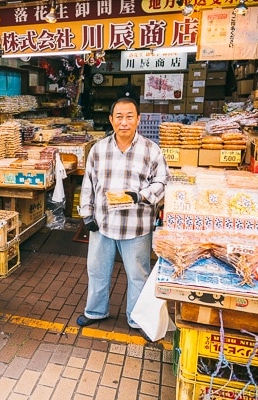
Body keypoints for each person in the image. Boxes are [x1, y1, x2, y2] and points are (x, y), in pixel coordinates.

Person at [77, 97, 169, 332]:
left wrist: (142, 195)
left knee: (138, 275)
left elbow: (163, 180)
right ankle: (95, 311)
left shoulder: (151, 150)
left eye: (130, 116)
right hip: (103, 223)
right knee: (97, 271)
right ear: (111, 120)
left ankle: (136, 318)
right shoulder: (98, 149)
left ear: (138, 119)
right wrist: (87, 213)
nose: (124, 122)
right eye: (119, 117)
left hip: (136, 226)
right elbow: (88, 182)